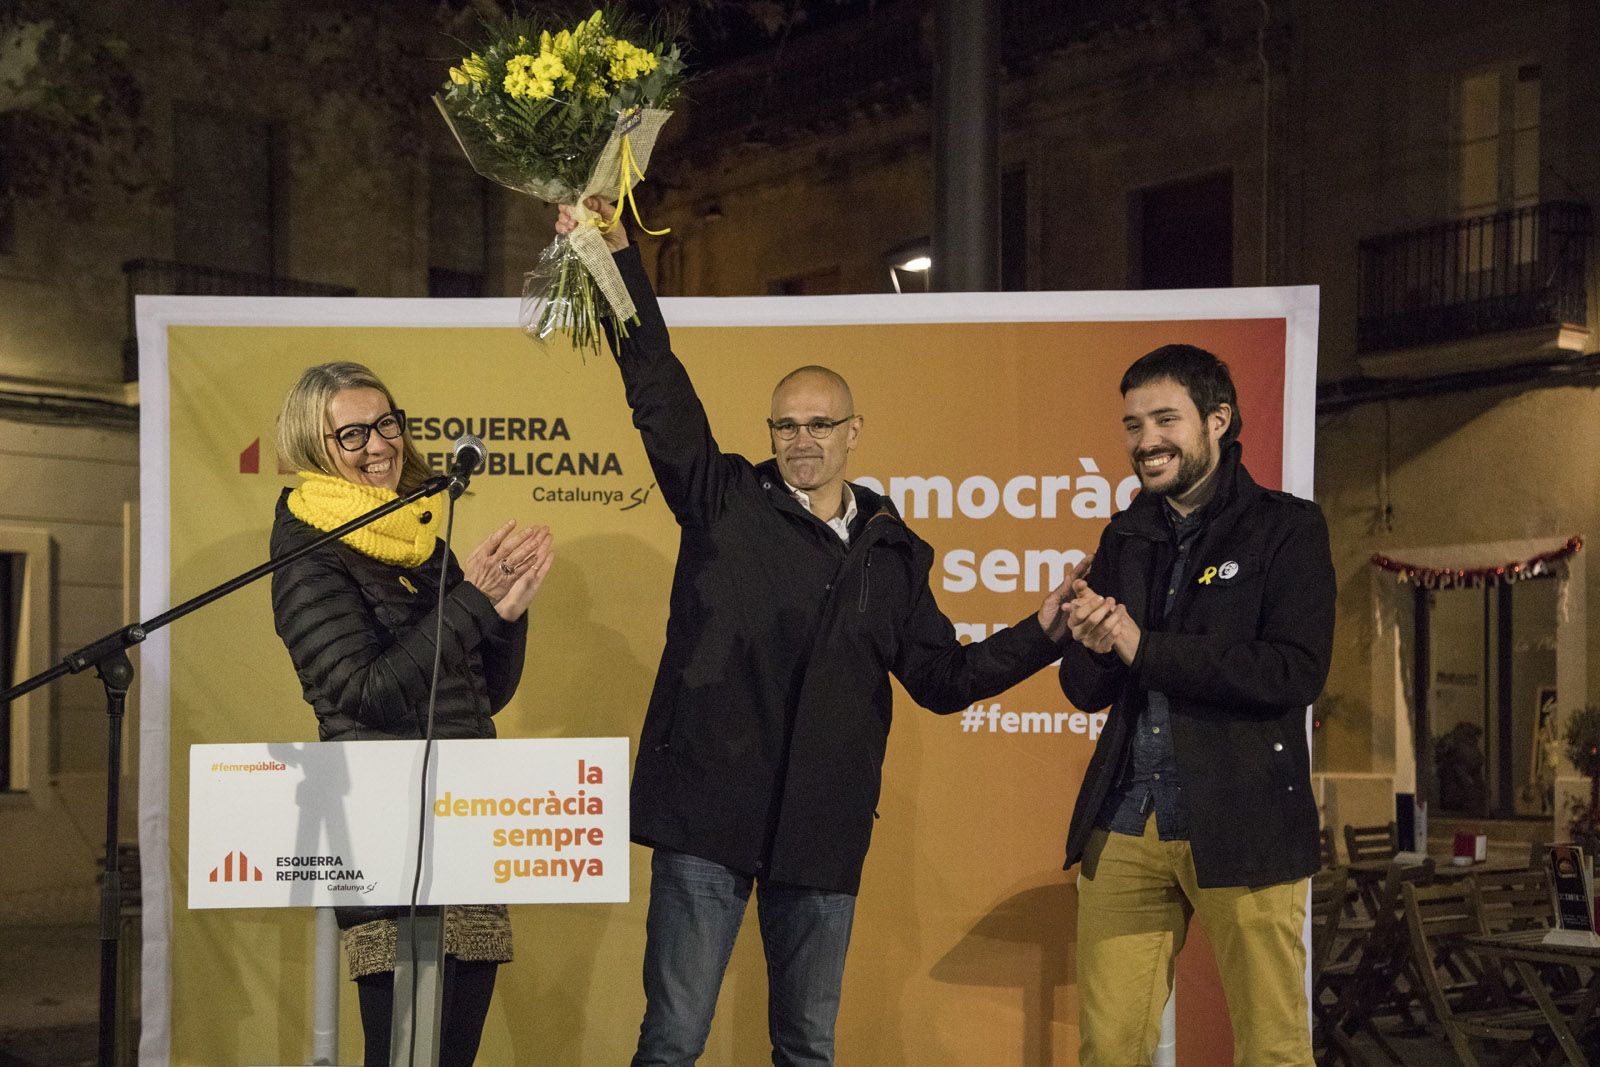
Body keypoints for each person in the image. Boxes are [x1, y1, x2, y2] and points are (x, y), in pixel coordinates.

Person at [556, 200, 1086, 1067]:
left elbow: (944, 680)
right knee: (672, 1038)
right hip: (705, 822)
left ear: (852, 434)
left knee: (806, 1046)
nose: (802, 440)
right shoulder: (722, 499)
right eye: (786, 425)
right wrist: (615, 258)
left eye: (819, 424)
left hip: (820, 828)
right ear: (771, 434)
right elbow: (656, 382)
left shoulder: (893, 550)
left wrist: (1044, 630)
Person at [1056, 344, 1336, 1066]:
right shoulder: (1126, 533)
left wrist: (1141, 644)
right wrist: (1087, 640)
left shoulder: (1287, 527)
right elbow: (1088, 691)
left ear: (1218, 419)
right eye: (1131, 423)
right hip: (1126, 821)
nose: (1145, 440)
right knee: (1109, 1048)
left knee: (1272, 1048)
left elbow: (1292, 671)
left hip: (1245, 817)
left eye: (1164, 418)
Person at [269, 361, 553, 1066]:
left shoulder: (423, 538)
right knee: (398, 1051)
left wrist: (505, 613)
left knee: (452, 1052)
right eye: (353, 433)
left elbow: (482, 693)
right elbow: (363, 688)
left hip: (463, 817)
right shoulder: (308, 553)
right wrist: (471, 602)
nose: (379, 445)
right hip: (383, 828)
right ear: (314, 446)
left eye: (386, 423)